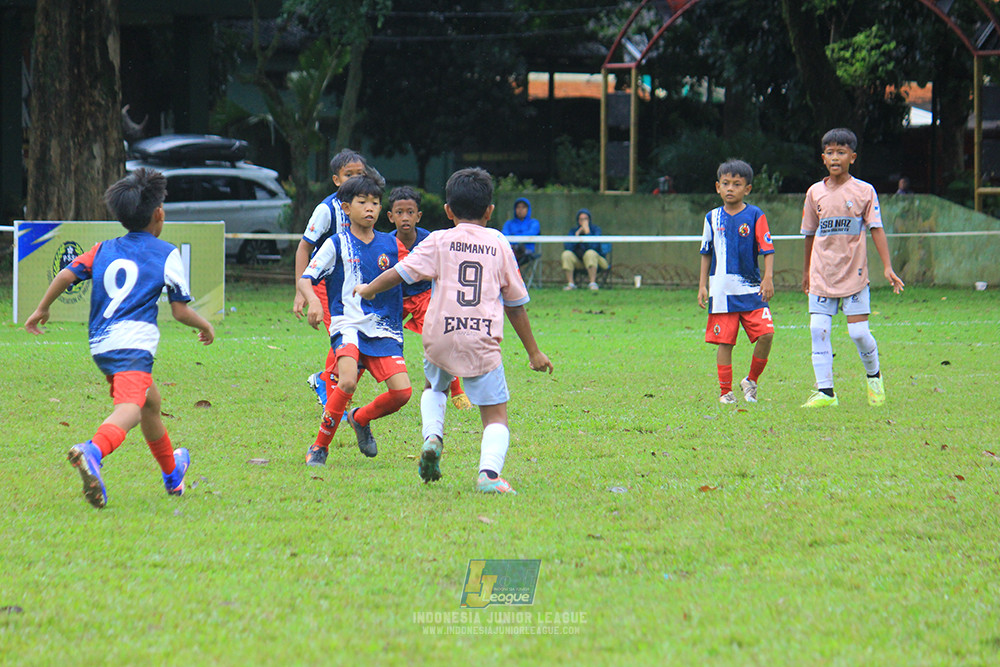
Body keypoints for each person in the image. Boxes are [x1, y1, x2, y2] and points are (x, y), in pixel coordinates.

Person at [24, 168, 215, 509]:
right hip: (132, 344)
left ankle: (173, 475)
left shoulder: (103, 249)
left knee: (150, 403)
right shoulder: (166, 253)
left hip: (102, 344)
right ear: (159, 214)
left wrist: (42, 308)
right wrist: (205, 326)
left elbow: (66, 275)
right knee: (130, 409)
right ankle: (92, 451)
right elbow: (180, 311)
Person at [355, 167, 554, 494]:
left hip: (440, 335)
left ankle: (433, 436)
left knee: (434, 386)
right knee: (495, 416)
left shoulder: (438, 239)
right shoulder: (499, 243)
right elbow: (515, 304)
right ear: (490, 211)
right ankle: (489, 475)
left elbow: (400, 273)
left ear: (448, 211)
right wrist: (534, 352)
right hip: (481, 338)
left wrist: (368, 289)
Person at [298, 174, 412, 465]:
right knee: (347, 382)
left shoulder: (391, 244)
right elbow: (306, 278)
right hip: (347, 324)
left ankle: (360, 418)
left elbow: (416, 272)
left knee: (402, 393)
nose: (370, 208)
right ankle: (319, 446)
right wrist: (313, 301)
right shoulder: (336, 243)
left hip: (383, 329)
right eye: (362, 202)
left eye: (375, 202)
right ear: (346, 208)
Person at [800, 127, 905, 408]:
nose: (835, 157)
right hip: (822, 274)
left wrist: (887, 267)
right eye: (830, 152)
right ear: (823, 158)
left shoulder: (864, 191)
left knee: (858, 333)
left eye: (841, 152)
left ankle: (874, 378)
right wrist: (806, 272)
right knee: (818, 329)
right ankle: (826, 392)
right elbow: (809, 234)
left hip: (854, 275)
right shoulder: (814, 193)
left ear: (852, 157)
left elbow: (876, 229)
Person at [293, 149, 369, 409]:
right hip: (326, 282)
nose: (355, 179)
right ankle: (328, 386)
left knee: (359, 335)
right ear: (337, 180)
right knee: (345, 336)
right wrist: (300, 291)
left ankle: (325, 379)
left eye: (360, 174)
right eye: (349, 174)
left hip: (352, 283)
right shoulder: (327, 209)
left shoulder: (366, 206)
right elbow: (303, 248)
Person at [387, 185, 471, 410]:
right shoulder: (385, 243)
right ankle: (342, 386)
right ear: (390, 216)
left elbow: (446, 268)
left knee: (441, 339)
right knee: (371, 336)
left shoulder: (431, 240)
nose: (405, 217)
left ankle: (457, 392)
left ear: (419, 216)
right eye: (399, 212)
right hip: (395, 297)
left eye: (410, 212)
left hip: (425, 297)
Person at [698, 159, 775, 404]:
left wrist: (768, 277)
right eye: (725, 183)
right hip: (722, 291)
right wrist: (702, 285)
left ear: (747, 189)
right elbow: (706, 252)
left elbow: (767, 248)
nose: (730, 188)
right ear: (717, 187)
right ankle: (725, 392)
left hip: (751, 289)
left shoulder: (755, 215)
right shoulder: (711, 217)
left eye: (737, 184)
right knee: (725, 342)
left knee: (766, 334)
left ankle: (751, 380)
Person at [561, 208, 610, 291]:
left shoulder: (596, 230)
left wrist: (588, 233)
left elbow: (594, 247)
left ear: (589, 220)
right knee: (566, 254)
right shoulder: (573, 231)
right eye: (581, 219)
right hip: (580, 261)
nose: (583, 222)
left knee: (590, 253)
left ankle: (592, 283)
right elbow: (568, 247)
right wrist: (576, 236)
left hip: (598, 261)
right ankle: (571, 284)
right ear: (578, 221)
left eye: (585, 219)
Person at [501, 197, 541, 268]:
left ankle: (513, 270)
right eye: (518, 207)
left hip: (527, 252)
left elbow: (531, 234)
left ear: (528, 209)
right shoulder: (509, 223)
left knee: (516, 250)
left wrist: (514, 236)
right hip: (510, 250)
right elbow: (504, 236)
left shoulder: (534, 223)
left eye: (523, 207)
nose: (520, 210)